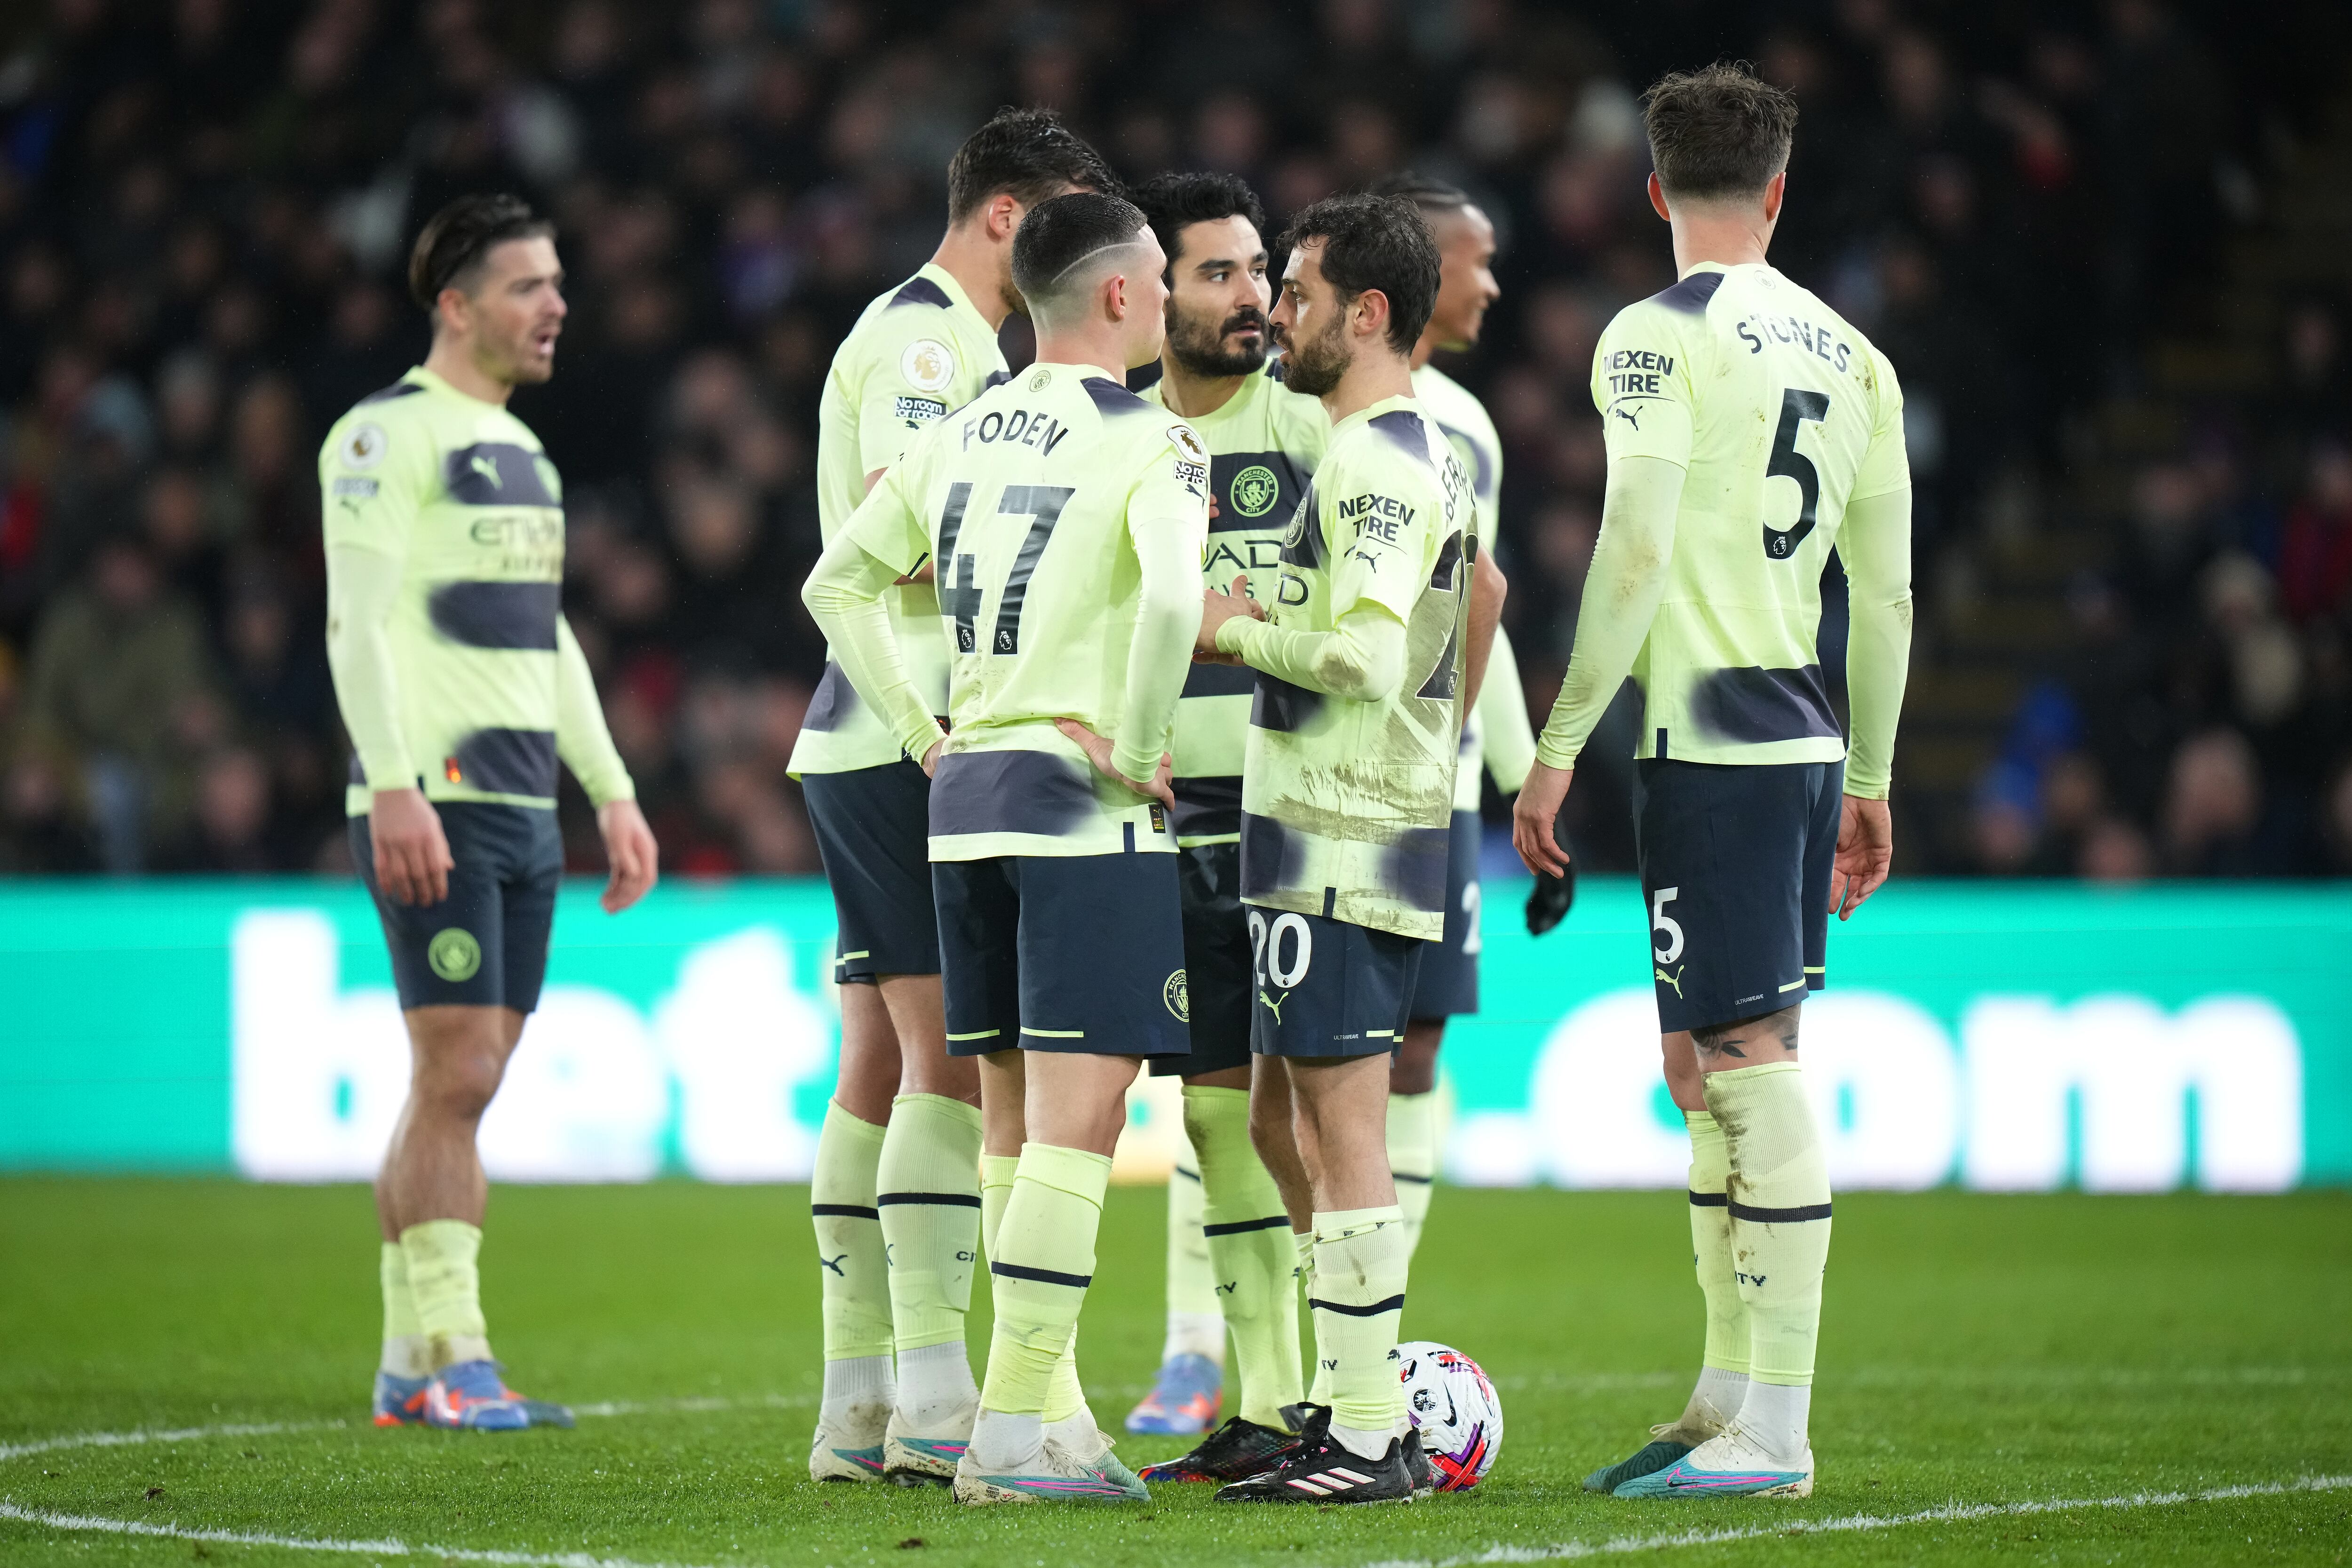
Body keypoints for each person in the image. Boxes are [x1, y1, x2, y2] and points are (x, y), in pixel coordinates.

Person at [1510, 62, 1912, 1500]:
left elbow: (1634, 547)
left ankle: (1778, 1428)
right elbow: (1889, 599)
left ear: (1654, 187)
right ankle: (1726, 1389)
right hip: (1798, 735)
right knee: (1701, 1062)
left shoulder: (1653, 336)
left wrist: (1554, 751)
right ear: (1782, 187)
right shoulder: (1859, 357)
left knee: (1748, 1058)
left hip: (1718, 745)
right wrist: (1871, 771)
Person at [802, 191, 1207, 1505]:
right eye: (1158, 280)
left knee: (1013, 1113)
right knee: (1085, 1116)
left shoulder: (965, 427)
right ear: (1114, 298)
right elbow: (1179, 595)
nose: (1168, 301)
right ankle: (1015, 1433)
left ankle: (1050, 1418)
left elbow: (835, 583)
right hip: (1080, 799)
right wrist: (1142, 738)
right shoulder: (1156, 440)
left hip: (962, 794)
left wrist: (923, 728)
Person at [322, 193, 659, 1432]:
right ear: (455, 305)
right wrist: (393, 776)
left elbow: (546, 635)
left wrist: (612, 787)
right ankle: (454, 1355)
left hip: (522, 801)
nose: (556, 304)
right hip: (439, 795)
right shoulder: (383, 437)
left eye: (559, 283)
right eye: (528, 285)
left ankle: (411, 1355)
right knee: (458, 1064)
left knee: (470, 1068)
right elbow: (355, 621)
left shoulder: (526, 457)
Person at [1194, 193, 1505, 1504]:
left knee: (1338, 1116)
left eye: (1303, 294)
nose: (1281, 313)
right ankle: (1349, 1391)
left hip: (1345, 825)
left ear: (1366, 316)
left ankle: (1371, 1426)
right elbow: (1471, 602)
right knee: (1282, 1109)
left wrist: (1232, 629)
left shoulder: (1380, 458)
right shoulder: (1398, 448)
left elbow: (1368, 656)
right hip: (1342, 818)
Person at [1122, 171, 1330, 1479]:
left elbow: (1447, 586)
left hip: (1296, 805)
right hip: (1157, 807)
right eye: (1218, 273)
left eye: (1260, 271)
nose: (1252, 296)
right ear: (1150, 293)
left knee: (1311, 1110)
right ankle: (1266, 1400)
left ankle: (1351, 1387)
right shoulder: (1113, 432)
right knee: (1209, 1116)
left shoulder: (1309, 428)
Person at [1372, 172, 1548, 1262]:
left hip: (1439, 786)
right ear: (1423, 270)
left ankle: (1371, 1311)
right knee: (1260, 1060)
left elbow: (1481, 606)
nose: (1491, 282)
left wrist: (1521, 777)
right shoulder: (1307, 409)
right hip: (1327, 777)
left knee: (1418, 1047)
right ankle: (1205, 1340)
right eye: (1476, 259)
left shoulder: (1468, 426)